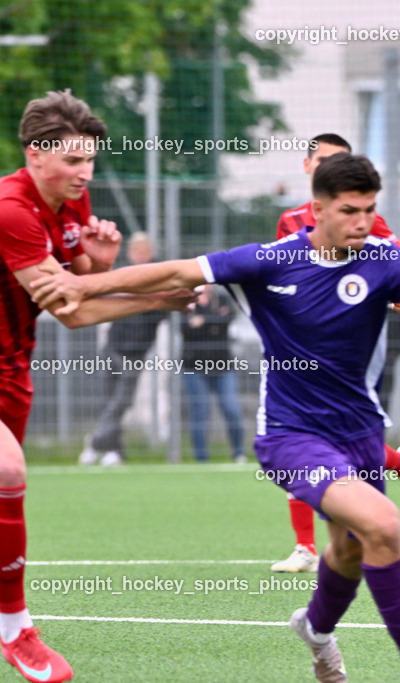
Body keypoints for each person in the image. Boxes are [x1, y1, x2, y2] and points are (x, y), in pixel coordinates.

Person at [31, 152, 400, 682]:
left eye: (369, 209)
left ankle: (316, 631)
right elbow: (178, 270)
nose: (362, 222)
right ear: (317, 208)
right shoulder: (271, 261)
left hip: (362, 434)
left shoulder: (385, 260)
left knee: (348, 548)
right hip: (291, 437)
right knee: (383, 526)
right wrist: (83, 285)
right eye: (349, 211)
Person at [0, 90, 194, 683]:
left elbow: (80, 292)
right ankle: (15, 629)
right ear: (36, 154)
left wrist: (98, 266)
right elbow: (73, 311)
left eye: (90, 161)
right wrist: (162, 294)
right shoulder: (12, 209)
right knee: (7, 474)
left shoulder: (71, 208)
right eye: (73, 161)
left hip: (12, 368)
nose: (85, 173)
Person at [273, 133, 400, 575]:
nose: (330, 170)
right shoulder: (291, 220)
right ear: (307, 167)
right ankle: (307, 544)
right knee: (299, 432)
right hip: (302, 343)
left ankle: (383, 484)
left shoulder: (363, 219)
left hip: (354, 341)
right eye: (322, 161)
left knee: (327, 435)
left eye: (339, 162)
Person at [78, 232, 166, 466]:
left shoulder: (160, 280)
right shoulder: (120, 276)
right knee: (108, 400)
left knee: (121, 402)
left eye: (145, 251)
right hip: (113, 346)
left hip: (136, 352)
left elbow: (162, 312)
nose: (141, 256)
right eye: (137, 251)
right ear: (130, 253)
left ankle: (96, 442)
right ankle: (115, 450)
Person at [181, 285, 246, 462]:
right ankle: (201, 457)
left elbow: (229, 318)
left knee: (231, 409)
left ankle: (239, 452)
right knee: (200, 412)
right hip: (193, 367)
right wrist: (215, 319)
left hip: (223, 366)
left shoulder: (222, 298)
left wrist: (203, 321)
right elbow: (186, 330)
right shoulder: (186, 301)